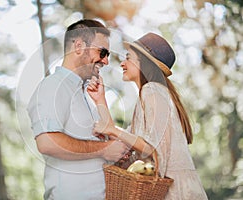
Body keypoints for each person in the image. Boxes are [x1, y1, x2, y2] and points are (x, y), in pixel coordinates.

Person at [87, 32, 208, 200]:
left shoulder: (152, 91)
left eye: (128, 58)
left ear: (144, 63)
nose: (122, 63)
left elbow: (153, 148)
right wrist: (101, 99)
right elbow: (127, 141)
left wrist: (113, 130)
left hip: (176, 193)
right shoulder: (152, 94)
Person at [27, 19, 129, 200]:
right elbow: (47, 142)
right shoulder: (52, 86)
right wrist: (104, 149)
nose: (105, 61)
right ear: (79, 46)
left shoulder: (87, 96)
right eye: (102, 52)